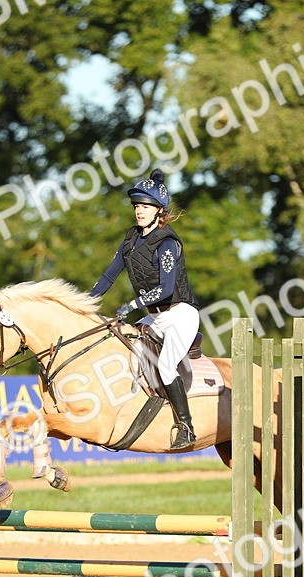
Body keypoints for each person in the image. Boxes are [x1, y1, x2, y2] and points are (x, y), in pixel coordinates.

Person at [90, 169, 200, 449]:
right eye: (137, 205)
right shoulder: (130, 239)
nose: (139, 211)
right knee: (125, 347)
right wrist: (85, 303)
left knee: (164, 366)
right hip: (155, 316)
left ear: (158, 210)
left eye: (145, 206)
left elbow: (165, 288)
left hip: (180, 314)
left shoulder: (166, 243)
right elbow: (108, 276)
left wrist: (132, 304)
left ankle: (186, 427)